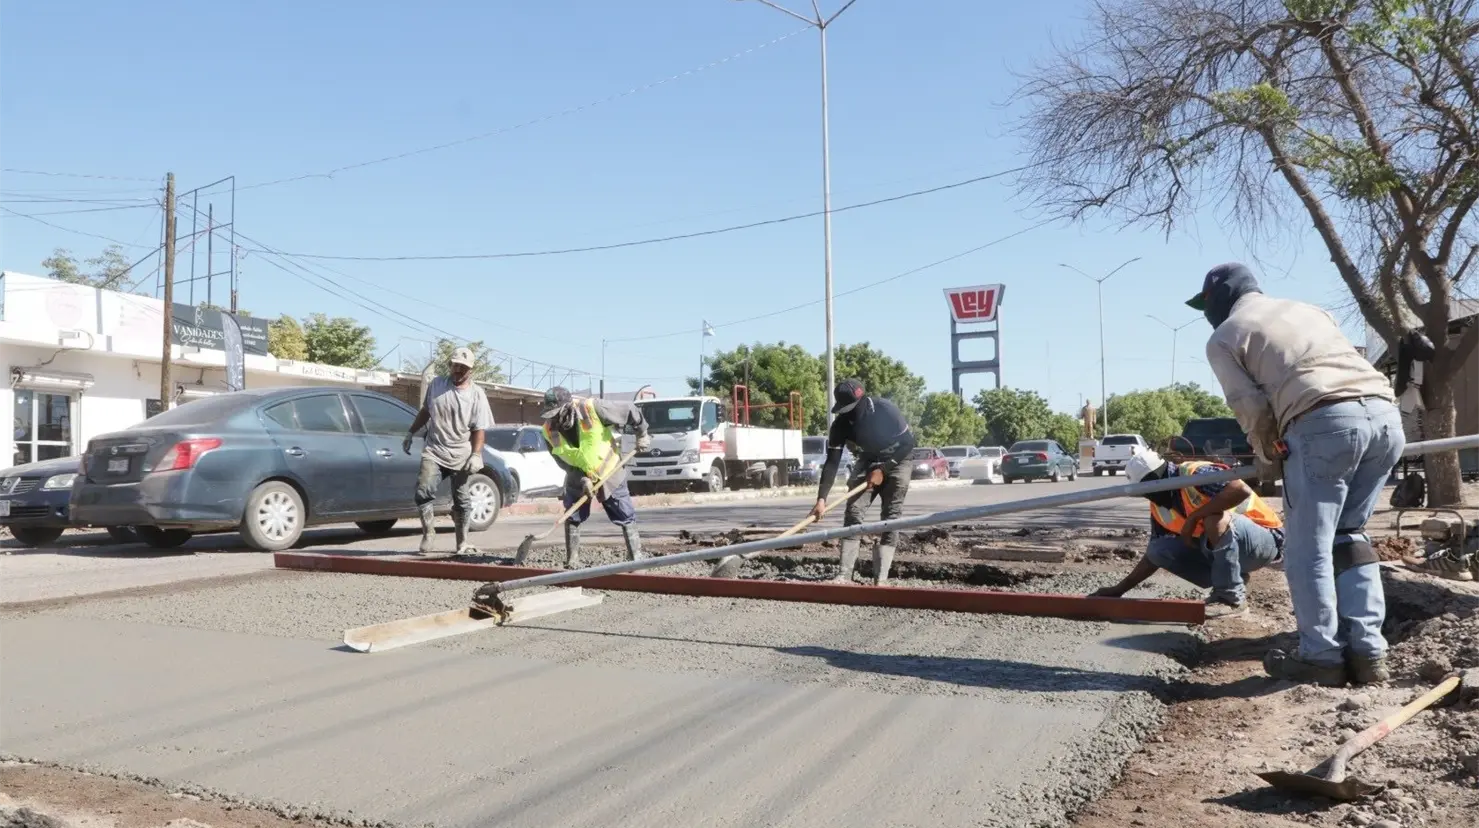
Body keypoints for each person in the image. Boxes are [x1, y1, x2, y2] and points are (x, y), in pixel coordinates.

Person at [1193, 262, 1404, 686]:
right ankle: (1368, 652)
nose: (1205, 313)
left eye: (1206, 304)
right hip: (1384, 416)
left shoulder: (1225, 335)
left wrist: (1267, 456)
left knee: (1308, 548)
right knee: (1351, 535)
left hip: (1324, 422)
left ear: (1220, 298)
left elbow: (1249, 406)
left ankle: (1321, 656)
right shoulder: (1310, 310)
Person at [1090, 449, 1284, 618]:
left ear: (1158, 478)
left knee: (1214, 519)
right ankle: (1233, 577)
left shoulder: (1194, 474)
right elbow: (1152, 557)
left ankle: (1230, 598)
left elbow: (1241, 490)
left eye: (1149, 488)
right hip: (1235, 551)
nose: (1148, 496)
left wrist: (1193, 519)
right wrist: (1119, 589)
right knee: (1160, 549)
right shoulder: (1160, 507)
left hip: (1266, 540)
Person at [811, 379, 917, 585]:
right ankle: (844, 574)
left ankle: (881, 578)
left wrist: (884, 469)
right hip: (868, 459)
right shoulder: (840, 425)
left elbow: (908, 443)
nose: (848, 414)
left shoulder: (885, 410)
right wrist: (821, 499)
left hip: (898, 459)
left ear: (862, 400)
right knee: (853, 512)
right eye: (844, 409)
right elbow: (832, 463)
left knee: (891, 517)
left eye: (851, 408)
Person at [538, 386, 651, 568]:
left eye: (557, 413)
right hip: (577, 475)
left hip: (609, 470)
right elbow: (561, 460)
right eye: (551, 414)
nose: (555, 419)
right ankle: (572, 560)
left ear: (568, 406)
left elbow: (630, 410)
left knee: (624, 512)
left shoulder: (593, 408)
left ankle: (636, 559)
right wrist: (582, 478)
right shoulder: (548, 430)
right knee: (572, 514)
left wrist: (642, 434)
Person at [403, 347, 494, 556]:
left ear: (471, 370)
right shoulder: (436, 385)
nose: (458, 370)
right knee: (423, 491)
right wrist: (410, 433)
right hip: (434, 449)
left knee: (462, 500)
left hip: (461, 453)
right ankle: (428, 532)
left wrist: (476, 454)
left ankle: (462, 542)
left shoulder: (477, 395)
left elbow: (479, 430)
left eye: (463, 367)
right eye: (455, 365)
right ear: (450, 366)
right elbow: (426, 411)